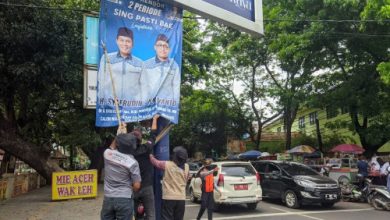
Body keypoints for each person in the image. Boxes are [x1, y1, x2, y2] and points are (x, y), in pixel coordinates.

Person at [100, 132, 141, 220]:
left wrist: (119, 135)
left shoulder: (108, 154)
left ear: (119, 144)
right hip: (125, 199)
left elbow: (112, 145)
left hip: (108, 198)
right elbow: (137, 186)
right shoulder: (133, 162)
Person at [98, 27, 143, 104]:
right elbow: (101, 83)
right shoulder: (106, 58)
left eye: (128, 41)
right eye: (122, 40)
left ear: (133, 43)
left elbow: (144, 88)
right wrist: (104, 103)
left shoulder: (140, 63)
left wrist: (138, 105)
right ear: (117, 41)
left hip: (132, 110)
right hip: (111, 108)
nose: (125, 44)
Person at [149, 146, 189, 220]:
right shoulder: (186, 167)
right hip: (181, 198)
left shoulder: (167, 164)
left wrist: (150, 155)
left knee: (167, 217)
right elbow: (186, 180)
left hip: (169, 197)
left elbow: (155, 162)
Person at [132, 115, 160, 220]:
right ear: (141, 140)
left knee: (135, 215)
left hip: (134, 187)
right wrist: (155, 119)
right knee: (151, 214)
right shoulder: (146, 148)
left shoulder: (127, 153)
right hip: (147, 186)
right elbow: (153, 135)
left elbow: (121, 140)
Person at [141, 34, 181, 105]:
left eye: (166, 46)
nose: (163, 49)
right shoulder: (146, 65)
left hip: (167, 108)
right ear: (155, 47)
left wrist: (174, 107)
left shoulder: (174, 65)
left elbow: (176, 89)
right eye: (160, 45)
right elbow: (142, 87)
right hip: (149, 107)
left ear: (169, 49)